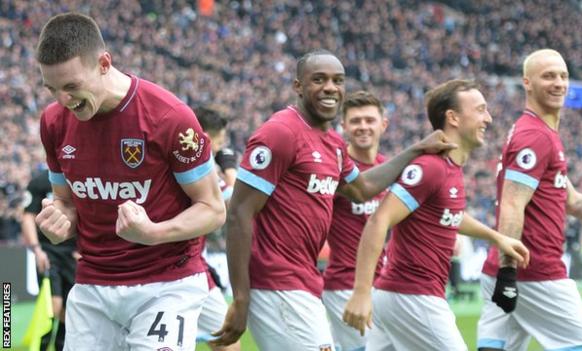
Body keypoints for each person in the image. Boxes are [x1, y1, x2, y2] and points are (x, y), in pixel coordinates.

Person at [212, 49, 457, 350]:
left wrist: (417, 149)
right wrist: (240, 297)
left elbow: (363, 187)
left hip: (304, 281)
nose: (331, 87)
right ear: (298, 86)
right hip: (276, 283)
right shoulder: (280, 132)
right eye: (319, 79)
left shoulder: (333, 143)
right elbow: (239, 213)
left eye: (338, 80)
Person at [34, 13, 226, 350]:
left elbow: (212, 209)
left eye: (71, 86)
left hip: (167, 283)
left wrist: (153, 233)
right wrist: (59, 220)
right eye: (52, 88)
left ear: (104, 63)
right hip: (94, 285)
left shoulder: (170, 117)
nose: (63, 100)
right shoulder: (53, 122)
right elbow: (65, 201)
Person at [342, 79, 530, 351]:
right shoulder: (432, 168)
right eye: (480, 110)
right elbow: (379, 220)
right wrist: (361, 292)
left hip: (398, 296)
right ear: (453, 118)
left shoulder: (449, 168)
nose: (487, 118)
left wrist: (496, 238)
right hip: (412, 297)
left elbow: (450, 214)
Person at [477, 49, 582, 351]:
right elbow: (512, 205)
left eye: (563, 76)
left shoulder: (539, 132)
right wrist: (509, 271)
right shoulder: (536, 136)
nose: (558, 83)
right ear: (527, 83)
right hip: (534, 271)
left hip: (508, 268)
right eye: (548, 76)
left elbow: (571, 200)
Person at [322, 90, 389, 351]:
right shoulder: (335, 169)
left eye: (369, 120)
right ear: (344, 127)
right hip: (345, 285)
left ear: (383, 124)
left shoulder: (387, 170)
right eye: (356, 121)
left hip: (383, 284)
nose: (363, 127)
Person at [194, 105, 241, 351]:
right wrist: (230, 170)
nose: (221, 148)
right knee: (228, 342)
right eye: (219, 141)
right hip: (184, 268)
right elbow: (235, 207)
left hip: (191, 266)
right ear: (207, 139)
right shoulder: (199, 165)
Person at [21, 165, 77, 351]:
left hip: (72, 254)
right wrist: (37, 250)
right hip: (48, 251)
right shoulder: (40, 181)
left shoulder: (78, 179)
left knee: (67, 310)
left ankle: (60, 346)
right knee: (53, 304)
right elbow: (28, 217)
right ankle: (43, 346)